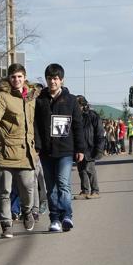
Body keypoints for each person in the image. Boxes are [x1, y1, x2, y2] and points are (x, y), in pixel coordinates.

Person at [0, 63, 41, 238]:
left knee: (27, 187)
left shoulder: (32, 97)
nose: (16, 80)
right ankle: (6, 224)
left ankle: (27, 211)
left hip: (26, 151)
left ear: (24, 78)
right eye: (13, 77)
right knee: (4, 190)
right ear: (9, 78)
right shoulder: (2, 97)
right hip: (5, 150)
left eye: (19, 76)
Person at [35, 63, 85, 232]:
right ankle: (54, 218)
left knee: (63, 183)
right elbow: (36, 126)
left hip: (65, 150)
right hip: (46, 151)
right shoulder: (40, 100)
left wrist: (80, 149)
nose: (52, 82)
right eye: (49, 78)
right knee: (51, 187)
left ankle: (67, 216)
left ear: (61, 80)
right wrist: (38, 146)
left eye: (55, 79)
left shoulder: (70, 100)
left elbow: (78, 126)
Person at [76, 96, 105, 199]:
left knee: (90, 169)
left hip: (90, 147)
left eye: (77, 105)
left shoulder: (92, 115)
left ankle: (95, 191)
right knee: (81, 170)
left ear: (83, 105)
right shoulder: (75, 116)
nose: (75, 107)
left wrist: (99, 149)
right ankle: (84, 191)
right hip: (79, 148)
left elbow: (100, 133)